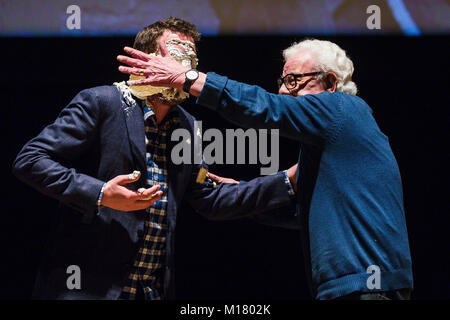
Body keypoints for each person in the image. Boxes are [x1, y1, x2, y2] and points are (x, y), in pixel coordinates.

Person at [12, 17, 296, 300]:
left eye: (190, 60)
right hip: (87, 288)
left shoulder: (186, 126)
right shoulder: (102, 102)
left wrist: (287, 179)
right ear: (144, 60)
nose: (183, 69)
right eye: (176, 56)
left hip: (150, 290)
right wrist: (100, 193)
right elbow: (31, 160)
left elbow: (208, 198)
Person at [117, 38, 414, 300]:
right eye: (283, 82)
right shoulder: (330, 143)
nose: (285, 92)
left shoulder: (342, 109)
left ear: (331, 83)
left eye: (294, 81)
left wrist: (188, 78)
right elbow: (306, 214)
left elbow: (266, 108)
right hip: (353, 288)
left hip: (367, 289)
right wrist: (240, 193)